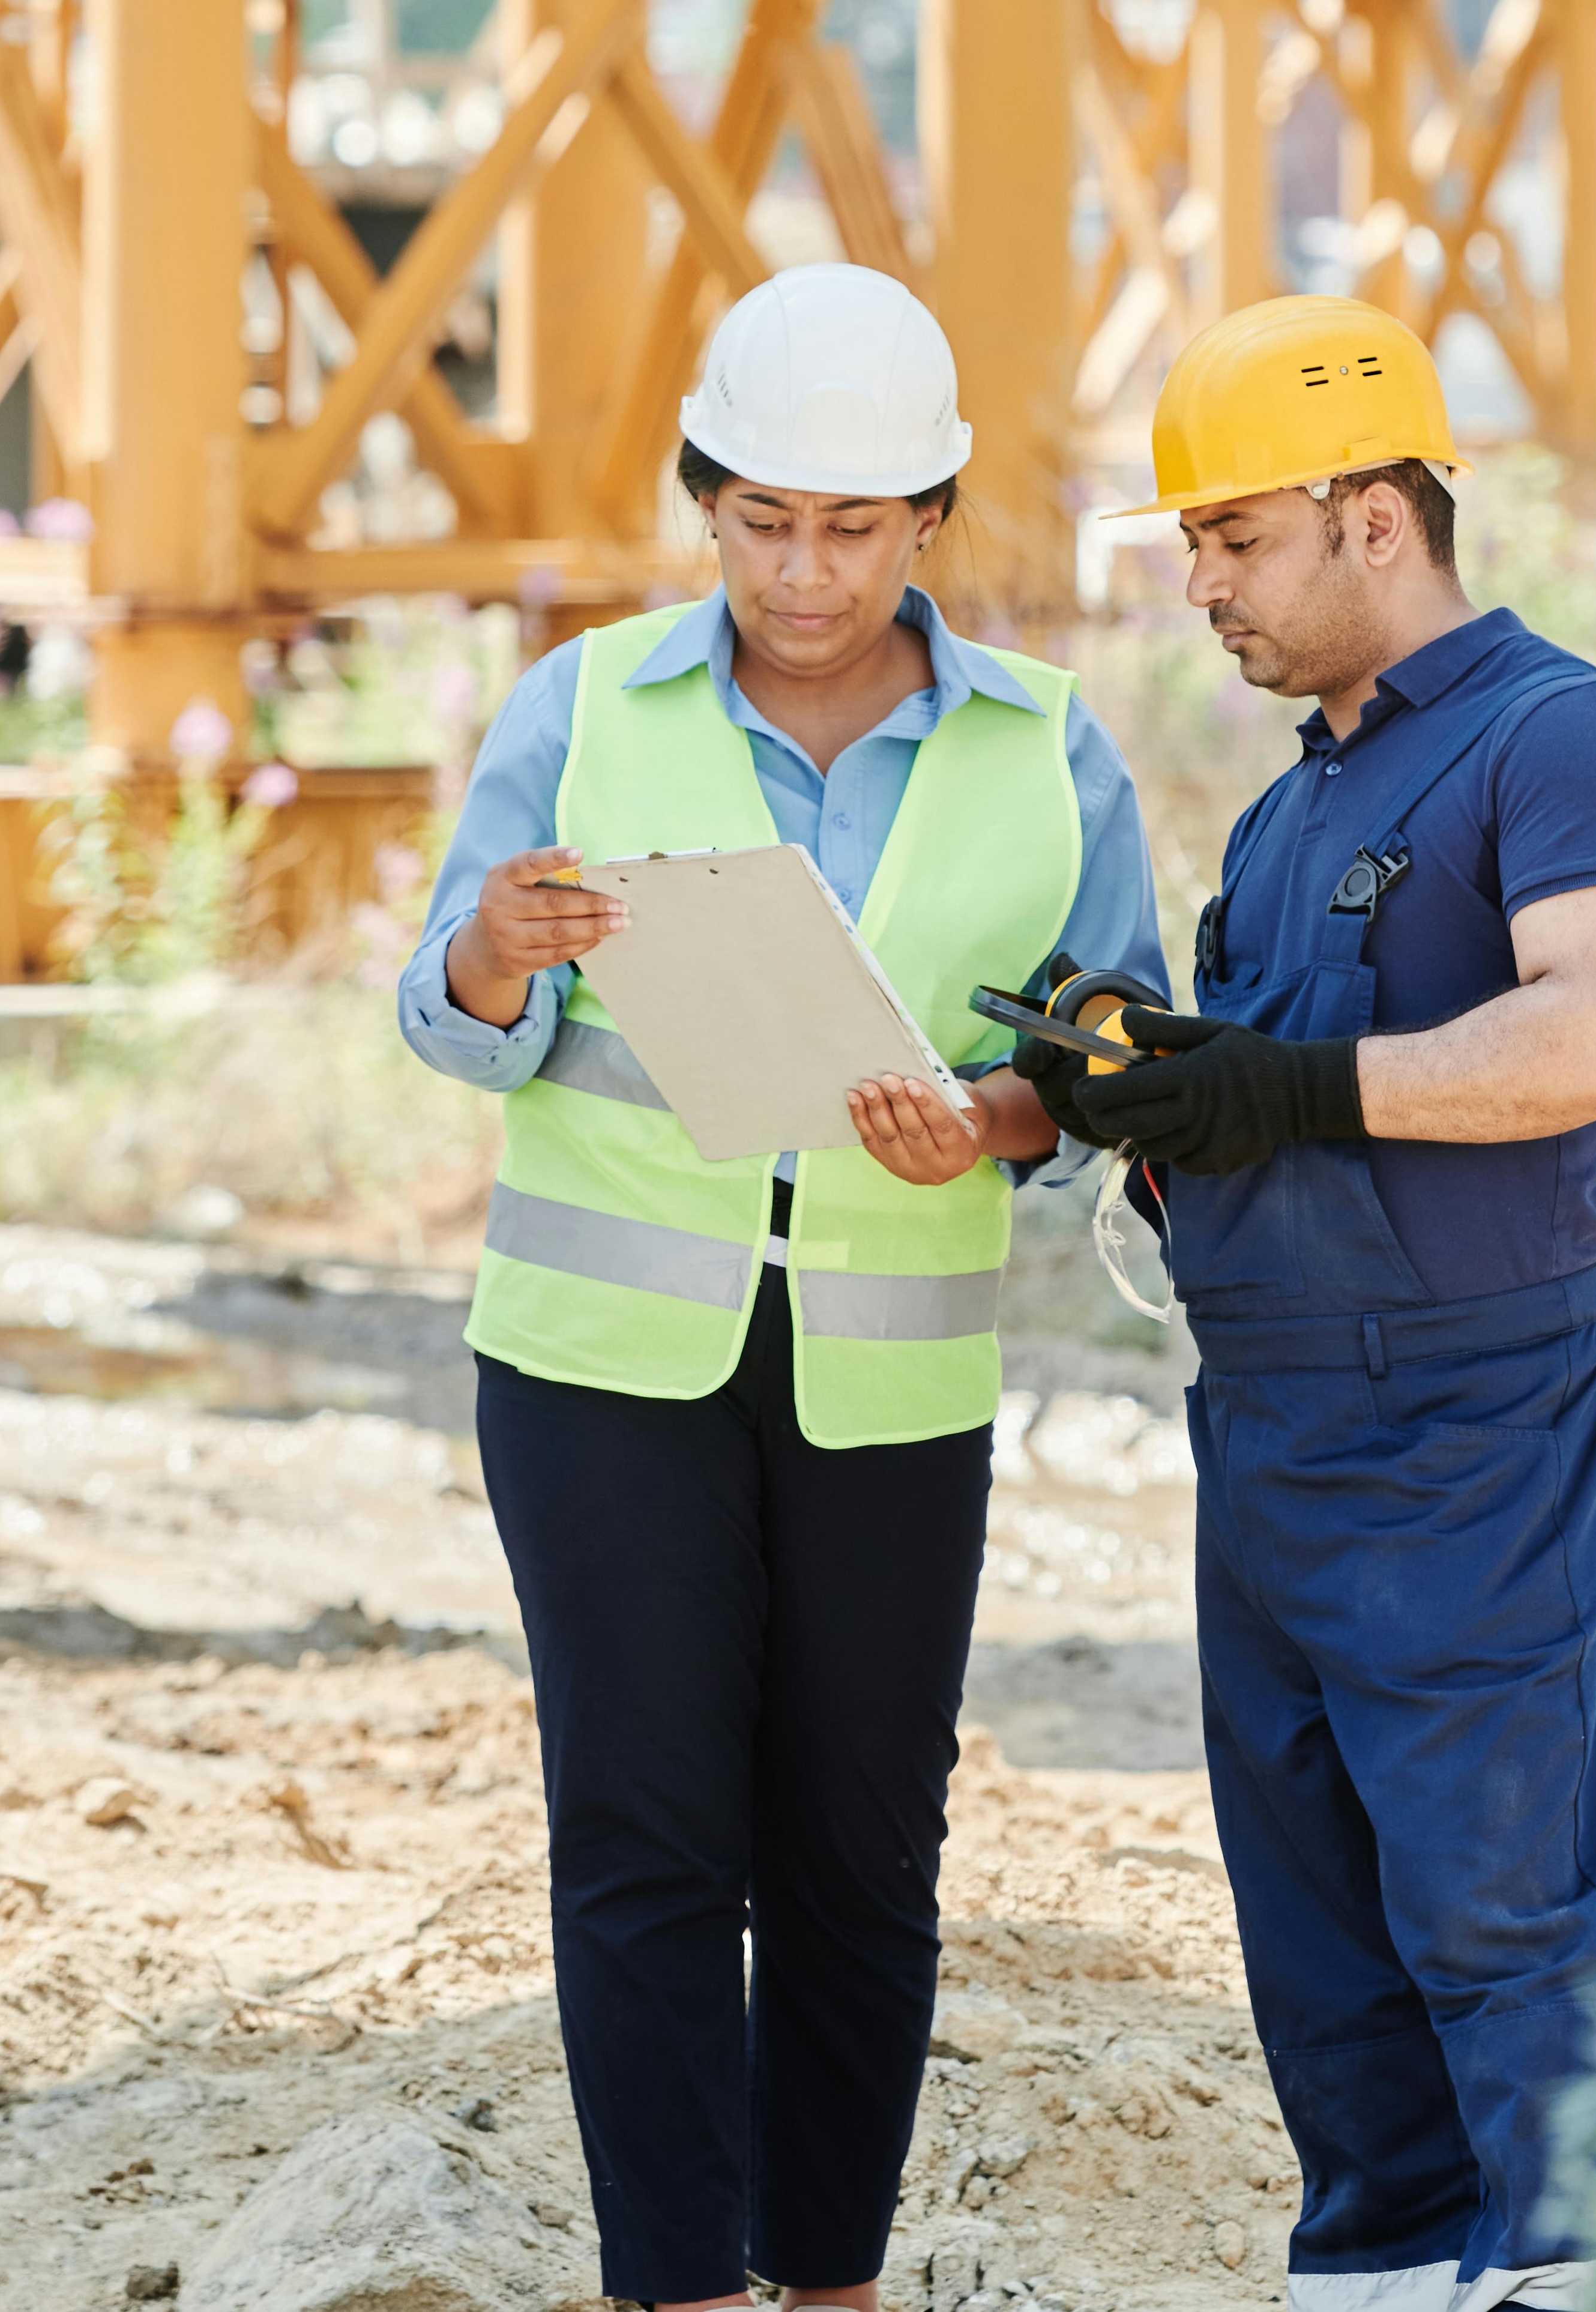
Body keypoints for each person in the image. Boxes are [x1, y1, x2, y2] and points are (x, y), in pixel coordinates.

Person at [398, 262, 1167, 2312]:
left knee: (856, 1854)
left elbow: (1114, 1060)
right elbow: (451, 1018)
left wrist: (996, 1117)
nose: (802, 575)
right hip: (595, 1368)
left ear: (930, 519)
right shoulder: (581, 708)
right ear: (705, 503)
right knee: (645, 1834)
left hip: (887, 1385)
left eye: (849, 528)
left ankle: (828, 2283)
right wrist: (490, 950)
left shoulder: (1048, 749)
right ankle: (681, 2285)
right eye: (759, 523)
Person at [1022, 295, 1596, 2312]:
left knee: (1500, 1916)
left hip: (1468, 1422)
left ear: (1375, 514)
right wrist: (1149, 1096)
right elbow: (1273, 1108)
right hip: (1272, 1427)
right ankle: (1383, 2274)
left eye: (1233, 537)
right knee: (1319, 1939)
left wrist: (1288, 1085)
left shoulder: (1564, 742)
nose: (1200, 586)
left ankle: (1589, 2275)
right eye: (1191, 545)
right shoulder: (1289, 809)